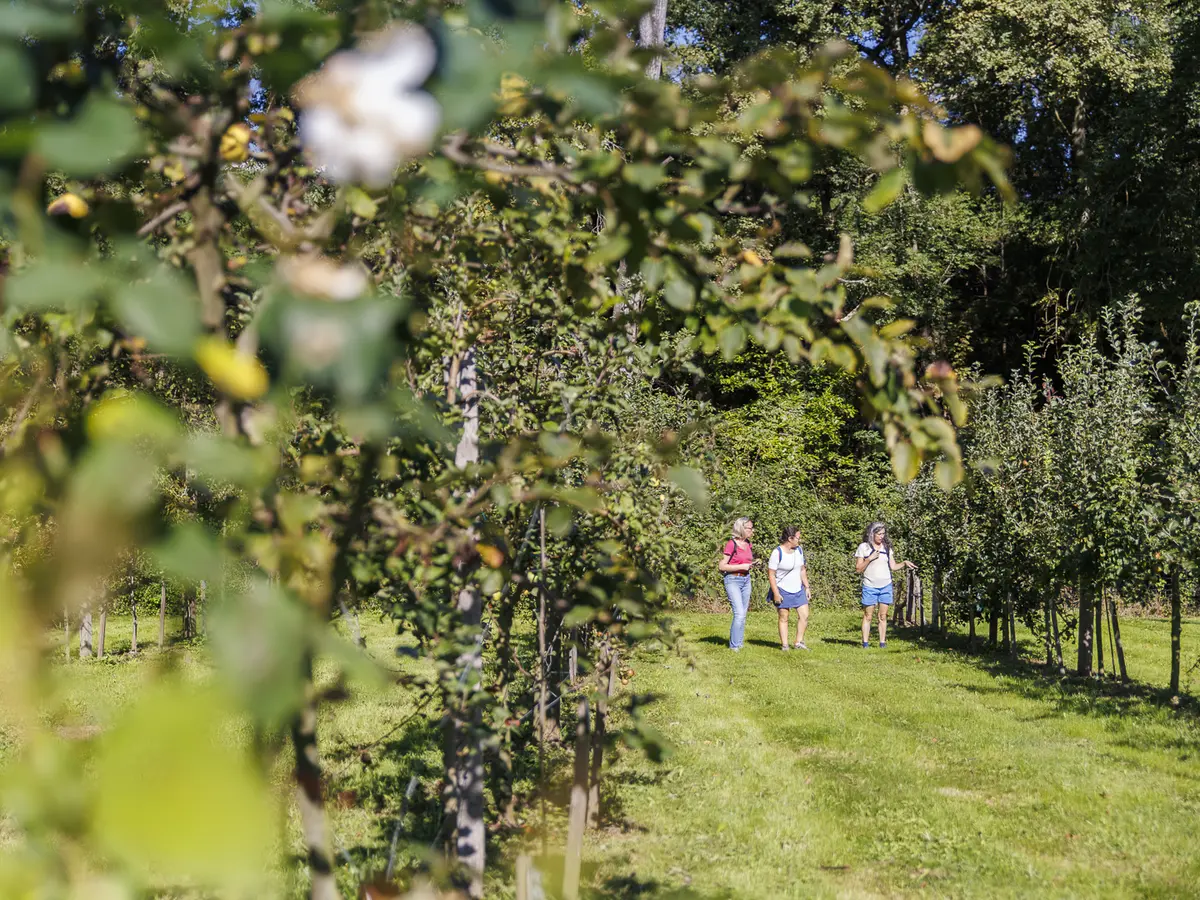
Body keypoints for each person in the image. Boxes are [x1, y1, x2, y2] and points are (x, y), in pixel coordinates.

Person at [854, 521, 915, 648]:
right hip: (869, 586)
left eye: (883, 534)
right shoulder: (864, 547)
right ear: (872, 534)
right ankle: (865, 644)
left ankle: (882, 643)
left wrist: (904, 563)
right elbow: (858, 569)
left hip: (885, 586)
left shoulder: (887, 548)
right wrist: (869, 558)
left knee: (882, 616)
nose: (882, 536)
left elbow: (893, 566)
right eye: (879, 534)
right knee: (868, 616)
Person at [767, 525, 812, 651]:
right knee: (784, 617)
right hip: (782, 589)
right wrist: (776, 593)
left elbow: (802, 570)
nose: (800, 540)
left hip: (798, 589)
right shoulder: (777, 553)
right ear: (790, 539)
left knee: (804, 615)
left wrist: (807, 587)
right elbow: (771, 575)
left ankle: (798, 642)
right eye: (798, 538)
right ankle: (785, 645)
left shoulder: (799, 550)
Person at [718, 517, 755, 651]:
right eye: (749, 528)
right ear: (741, 528)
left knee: (743, 614)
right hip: (733, 580)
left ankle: (739, 643)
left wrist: (751, 565)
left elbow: (745, 561)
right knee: (739, 613)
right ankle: (734, 646)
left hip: (746, 580)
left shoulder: (748, 544)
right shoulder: (731, 544)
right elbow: (722, 566)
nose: (752, 530)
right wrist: (742, 566)